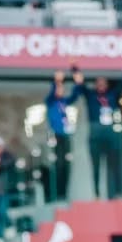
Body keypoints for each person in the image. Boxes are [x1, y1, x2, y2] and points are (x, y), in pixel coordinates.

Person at [75, 67, 122, 199]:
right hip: (95, 134)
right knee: (95, 165)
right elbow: (80, 85)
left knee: (115, 164)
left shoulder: (112, 95)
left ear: (106, 84)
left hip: (110, 133)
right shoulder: (91, 95)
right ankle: (96, 194)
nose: (101, 85)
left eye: (103, 82)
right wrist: (75, 69)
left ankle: (119, 193)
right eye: (98, 83)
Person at [43, 70, 81, 201]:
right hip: (55, 136)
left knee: (66, 164)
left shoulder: (64, 102)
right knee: (58, 164)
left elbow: (75, 96)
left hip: (65, 136)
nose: (61, 91)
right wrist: (57, 81)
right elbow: (52, 93)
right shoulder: (50, 101)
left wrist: (78, 83)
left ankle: (64, 192)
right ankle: (57, 193)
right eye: (59, 89)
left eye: (62, 89)